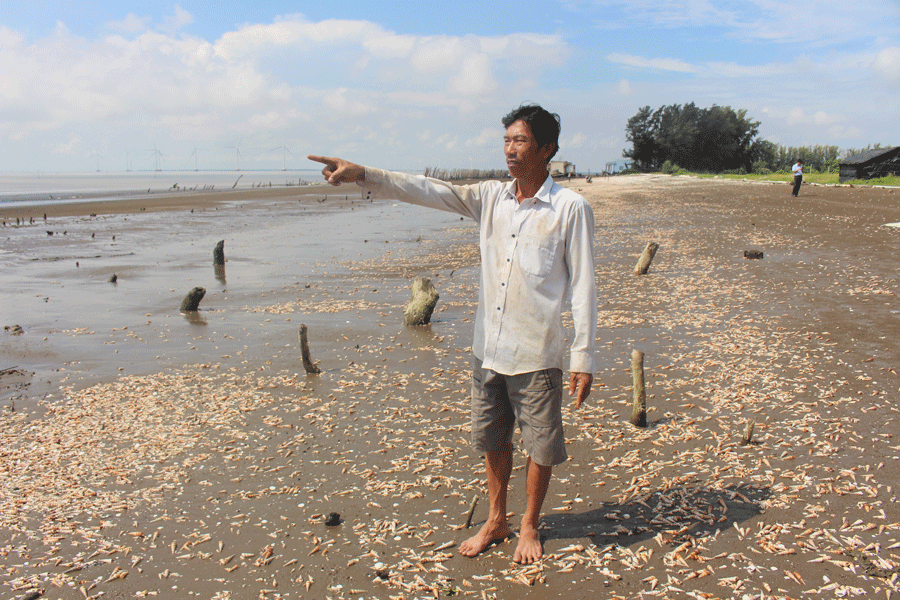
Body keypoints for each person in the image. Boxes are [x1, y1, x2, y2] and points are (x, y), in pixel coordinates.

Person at [308, 103, 597, 565]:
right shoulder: (490, 198)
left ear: (546, 149)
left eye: (520, 141)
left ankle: (529, 525)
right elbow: (428, 189)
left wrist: (583, 355)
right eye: (506, 140)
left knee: (540, 445)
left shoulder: (569, 209)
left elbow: (582, 285)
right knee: (493, 439)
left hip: (538, 351)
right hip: (488, 348)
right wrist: (363, 173)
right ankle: (497, 518)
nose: (510, 150)